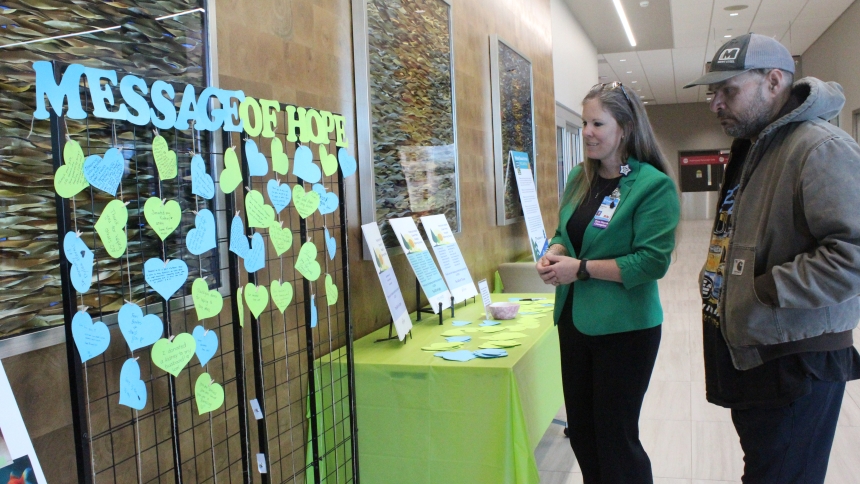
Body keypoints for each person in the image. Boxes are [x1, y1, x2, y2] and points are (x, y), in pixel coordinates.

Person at [684, 33, 860, 483]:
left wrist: (763, 288)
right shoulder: (755, 147)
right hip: (756, 355)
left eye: (728, 91)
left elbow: (852, 255)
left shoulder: (819, 147)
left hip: (796, 362)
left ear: (774, 81)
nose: (716, 103)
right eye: (712, 92)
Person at [536, 82, 679, 483]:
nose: (586, 132)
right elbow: (565, 231)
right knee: (582, 434)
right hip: (574, 323)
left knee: (616, 440)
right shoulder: (578, 179)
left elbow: (651, 262)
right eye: (584, 123)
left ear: (626, 128)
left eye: (597, 122)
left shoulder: (652, 186)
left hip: (625, 330)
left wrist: (580, 269)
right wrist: (557, 251)